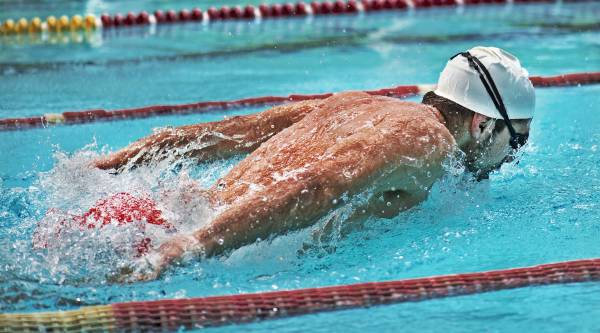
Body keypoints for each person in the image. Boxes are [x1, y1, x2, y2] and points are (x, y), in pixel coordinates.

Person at [93, 46, 535, 280]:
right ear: (481, 124)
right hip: (167, 239)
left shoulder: (358, 104)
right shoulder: (424, 140)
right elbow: (318, 186)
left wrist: (109, 164)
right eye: (515, 140)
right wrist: (188, 246)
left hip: (142, 215)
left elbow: (238, 131)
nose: (512, 158)